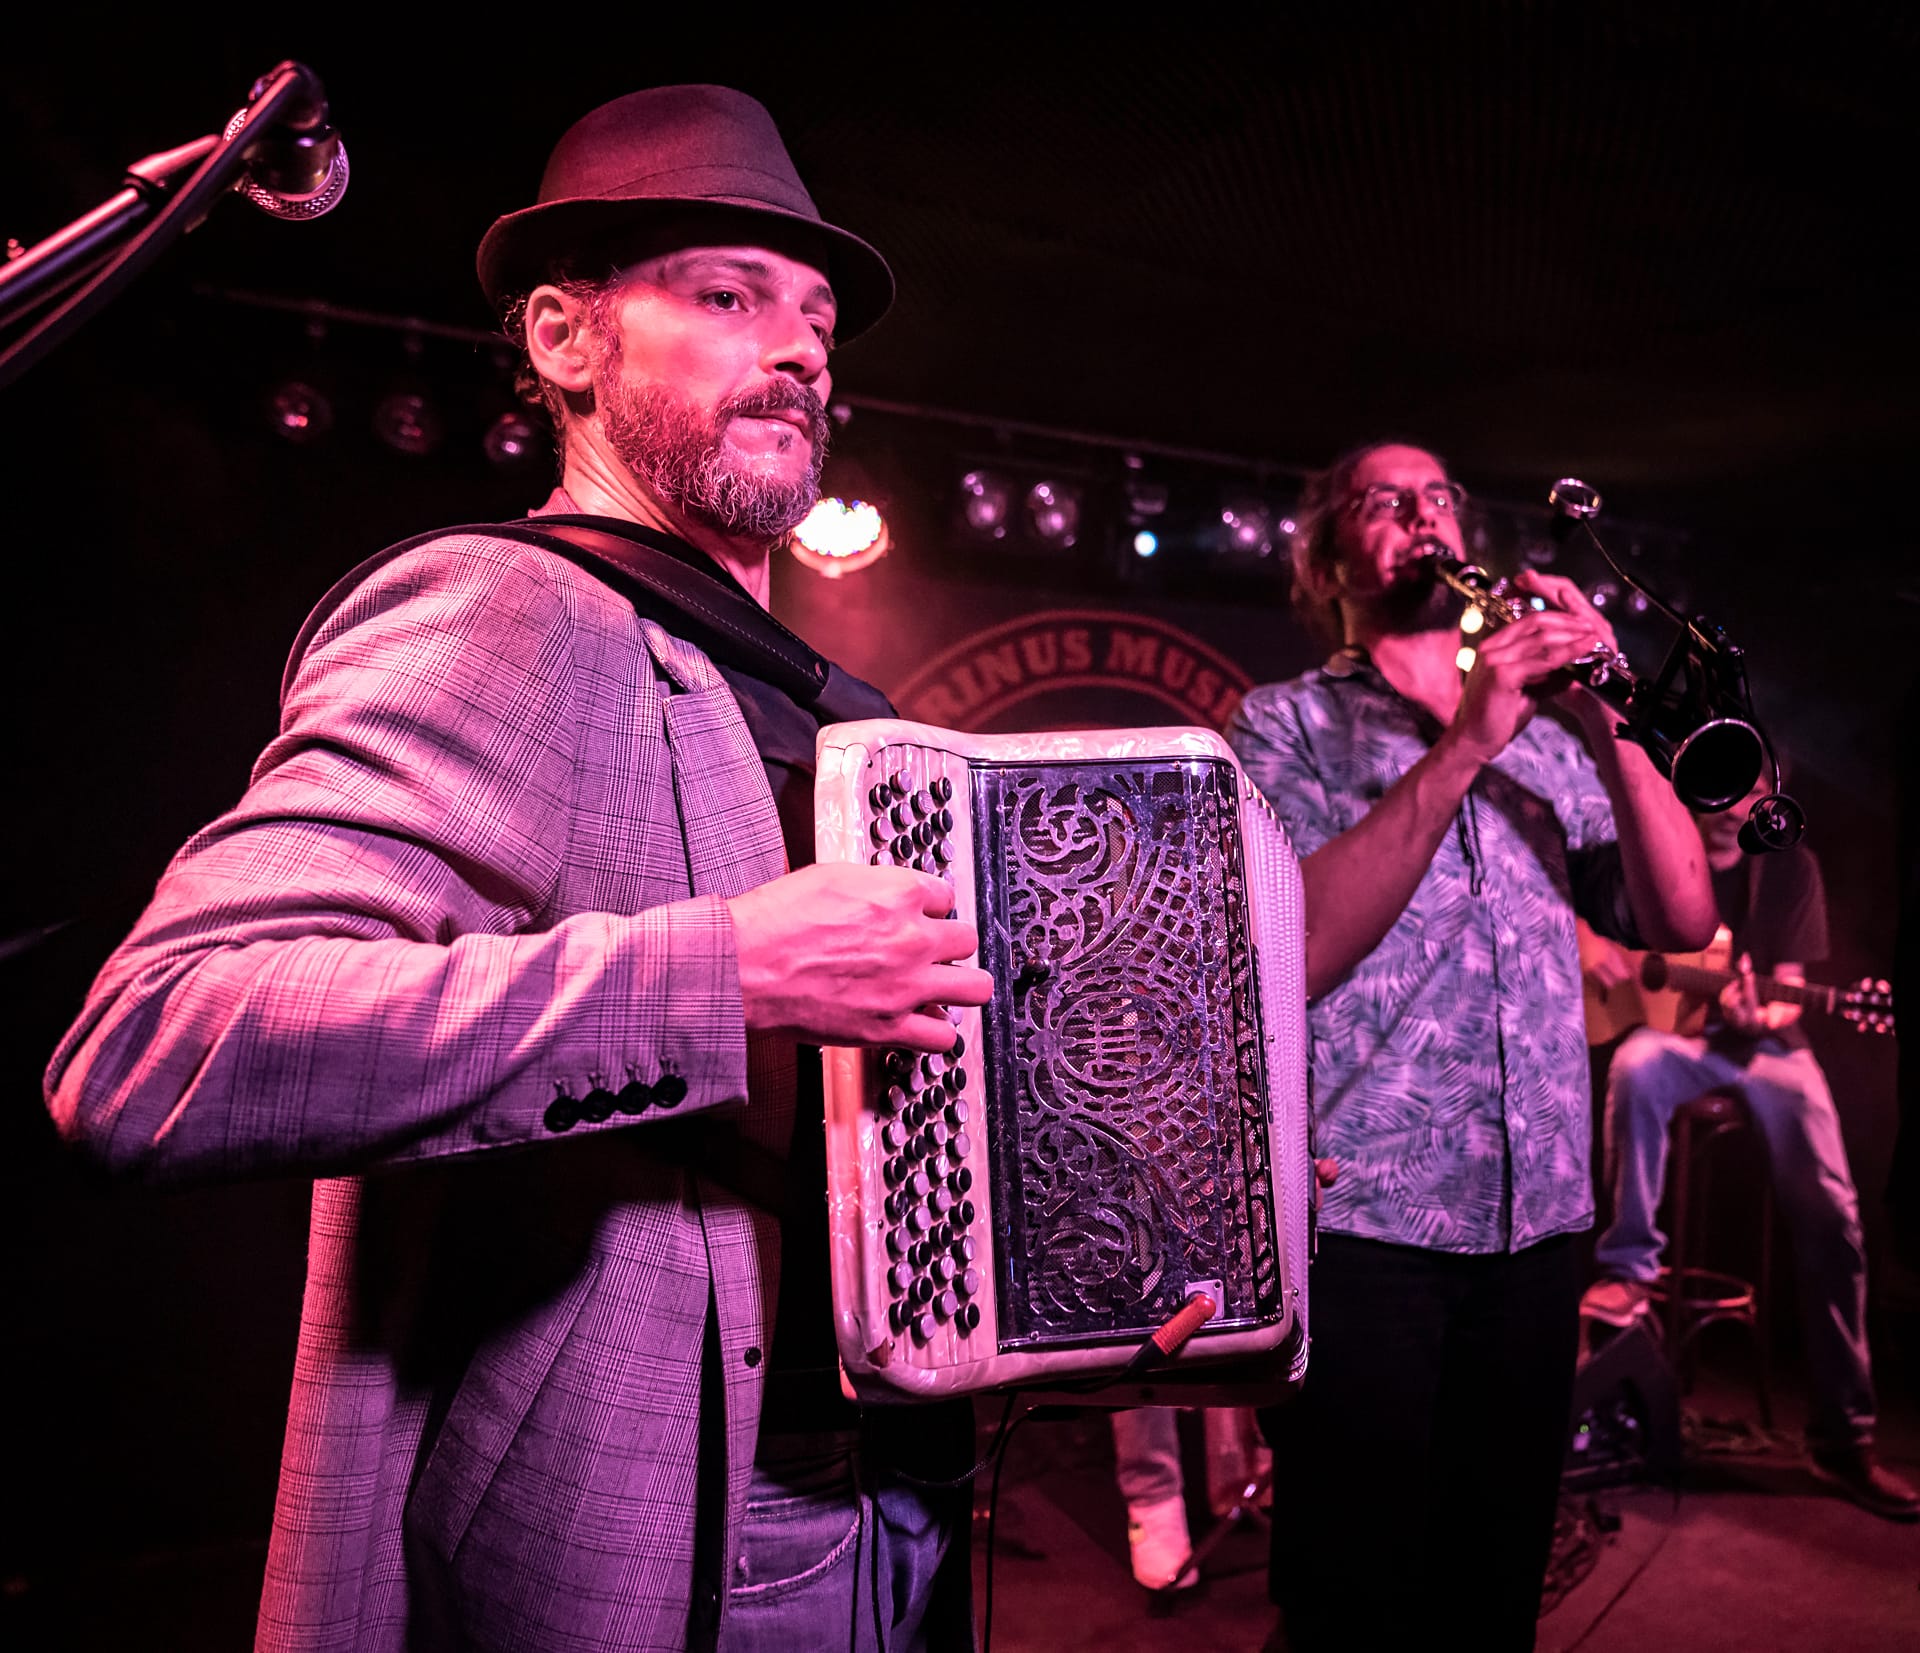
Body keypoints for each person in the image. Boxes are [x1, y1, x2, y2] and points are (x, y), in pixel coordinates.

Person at [43, 86, 993, 1652]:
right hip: (688, 1534)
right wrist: (728, 973)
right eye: (728, 296)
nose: (801, 350)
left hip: (890, 1492)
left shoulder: (821, 702)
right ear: (563, 339)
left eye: (817, 320)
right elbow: (159, 1043)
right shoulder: (513, 608)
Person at [1225, 441, 1717, 1650]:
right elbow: (1300, 947)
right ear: (1326, 558)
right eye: (1383, 502)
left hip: (1538, 1226)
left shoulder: (1552, 745)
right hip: (1361, 1229)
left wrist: (1608, 715)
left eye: (1438, 497)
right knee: (1351, 1606)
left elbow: (1681, 917)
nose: (1422, 516)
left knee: (1494, 1597)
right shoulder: (1282, 724)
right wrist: (1462, 745)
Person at [1581, 777, 1920, 1521]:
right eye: (1721, 787)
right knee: (1636, 1064)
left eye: (1752, 790)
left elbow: (1788, 990)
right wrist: (1596, 941)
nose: (1733, 806)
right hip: (1679, 1040)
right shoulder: (1648, 844)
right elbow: (1574, 902)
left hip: (1768, 1048)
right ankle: (1629, 1268)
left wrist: (1755, 1012)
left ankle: (1844, 1439)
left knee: (1834, 1215)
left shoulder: (1788, 865)